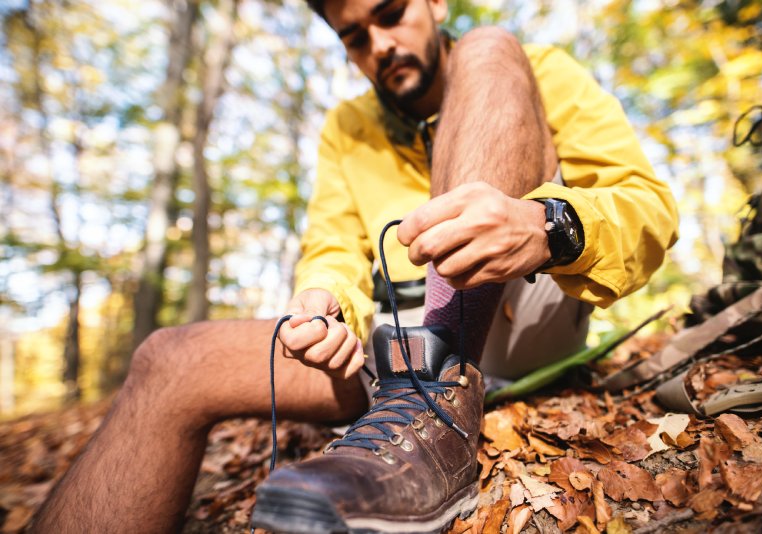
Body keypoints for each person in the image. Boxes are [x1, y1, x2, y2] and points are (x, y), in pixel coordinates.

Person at [30, 0, 678, 532]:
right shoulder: (347, 127)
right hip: (393, 342)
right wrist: (322, 302)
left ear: (433, 3)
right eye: (355, 37)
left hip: (523, 297)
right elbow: (333, 246)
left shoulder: (542, 71)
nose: (380, 45)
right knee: (168, 360)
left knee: (489, 47)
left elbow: (649, 207)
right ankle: (418, 394)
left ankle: (441, 410)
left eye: (391, 13)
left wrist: (548, 227)